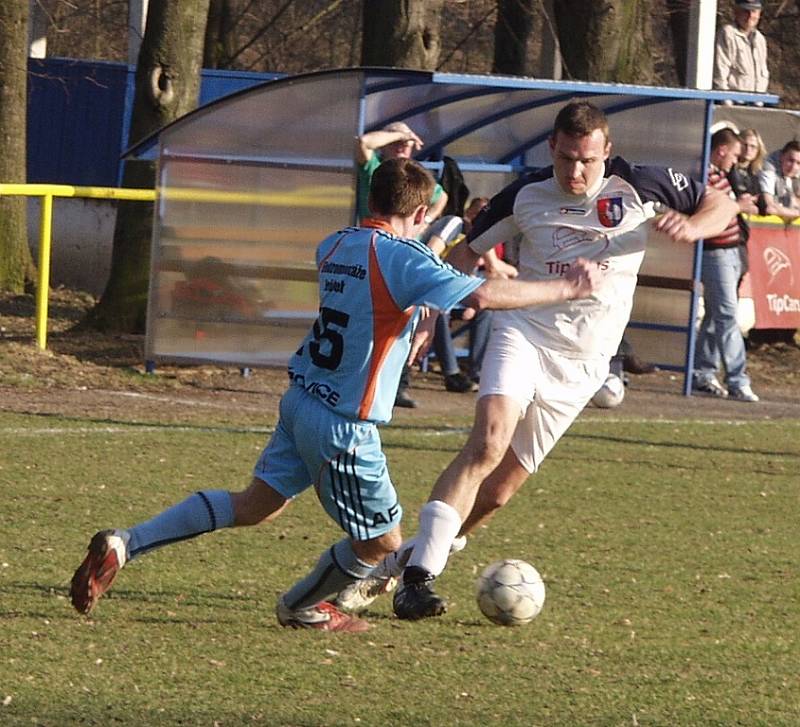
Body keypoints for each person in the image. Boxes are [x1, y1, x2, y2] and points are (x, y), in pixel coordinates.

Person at [69, 158, 601, 631]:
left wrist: (419, 300)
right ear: (418, 216)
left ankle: (127, 542)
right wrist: (568, 287)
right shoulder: (404, 259)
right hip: (344, 422)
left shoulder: (335, 243)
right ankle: (301, 606)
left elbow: (394, 277)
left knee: (256, 504)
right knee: (382, 545)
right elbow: (480, 292)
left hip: (302, 398)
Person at [384, 100, 739, 620]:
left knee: (499, 492)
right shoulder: (525, 195)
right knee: (486, 444)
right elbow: (462, 255)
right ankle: (417, 581)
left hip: (585, 363)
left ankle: (415, 555)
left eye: (587, 161)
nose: (575, 171)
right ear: (552, 147)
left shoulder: (639, 183)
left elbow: (722, 205)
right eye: (567, 158)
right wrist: (432, 310)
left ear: (606, 152)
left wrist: (696, 227)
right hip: (524, 333)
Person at [355, 122, 449, 409]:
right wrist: (401, 134)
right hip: (372, 249)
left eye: (408, 144)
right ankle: (366, 381)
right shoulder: (375, 169)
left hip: (405, 253)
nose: (403, 148)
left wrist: (426, 223)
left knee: (409, 316)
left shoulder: (415, 178)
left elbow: (441, 197)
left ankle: (399, 384)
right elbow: (363, 143)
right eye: (397, 143)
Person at [693, 128, 760, 402]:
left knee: (713, 317)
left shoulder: (721, 174)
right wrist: (737, 204)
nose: (735, 161)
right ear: (721, 150)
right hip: (716, 253)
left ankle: (703, 372)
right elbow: (712, 206)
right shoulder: (704, 174)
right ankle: (737, 380)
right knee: (727, 316)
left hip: (732, 252)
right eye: (733, 155)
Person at [713, 1, 769, 99]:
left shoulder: (760, 39)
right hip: (733, 104)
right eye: (746, 11)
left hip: (756, 104)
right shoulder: (727, 33)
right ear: (736, 12)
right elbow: (720, 71)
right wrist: (725, 101)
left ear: (759, 13)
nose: (750, 16)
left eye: (754, 11)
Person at [758, 140, 800, 224]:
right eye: (790, 160)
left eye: (798, 163)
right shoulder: (768, 171)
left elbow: (794, 202)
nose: (793, 167)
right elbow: (770, 207)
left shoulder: (786, 171)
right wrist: (797, 213)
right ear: (781, 156)